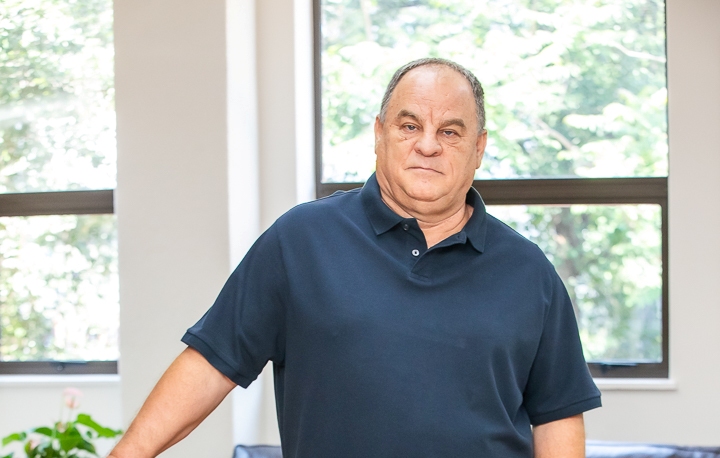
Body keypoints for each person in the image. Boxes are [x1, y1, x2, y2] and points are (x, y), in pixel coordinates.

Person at [109, 58, 601, 458]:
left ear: (479, 148)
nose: (428, 145)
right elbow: (211, 364)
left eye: (451, 132)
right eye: (410, 125)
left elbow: (557, 416)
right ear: (379, 134)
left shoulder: (529, 272)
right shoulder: (300, 240)